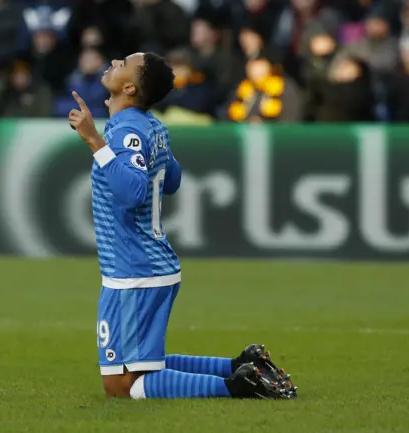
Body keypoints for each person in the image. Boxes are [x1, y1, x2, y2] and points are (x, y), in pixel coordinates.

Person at [68, 51, 297, 400]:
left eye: (123, 63)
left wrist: (94, 140)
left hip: (134, 271)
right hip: (148, 266)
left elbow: (133, 191)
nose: (114, 62)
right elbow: (171, 178)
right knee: (142, 366)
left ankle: (237, 386)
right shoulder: (149, 125)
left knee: (122, 386)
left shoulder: (125, 130)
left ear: (129, 87)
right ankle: (239, 366)